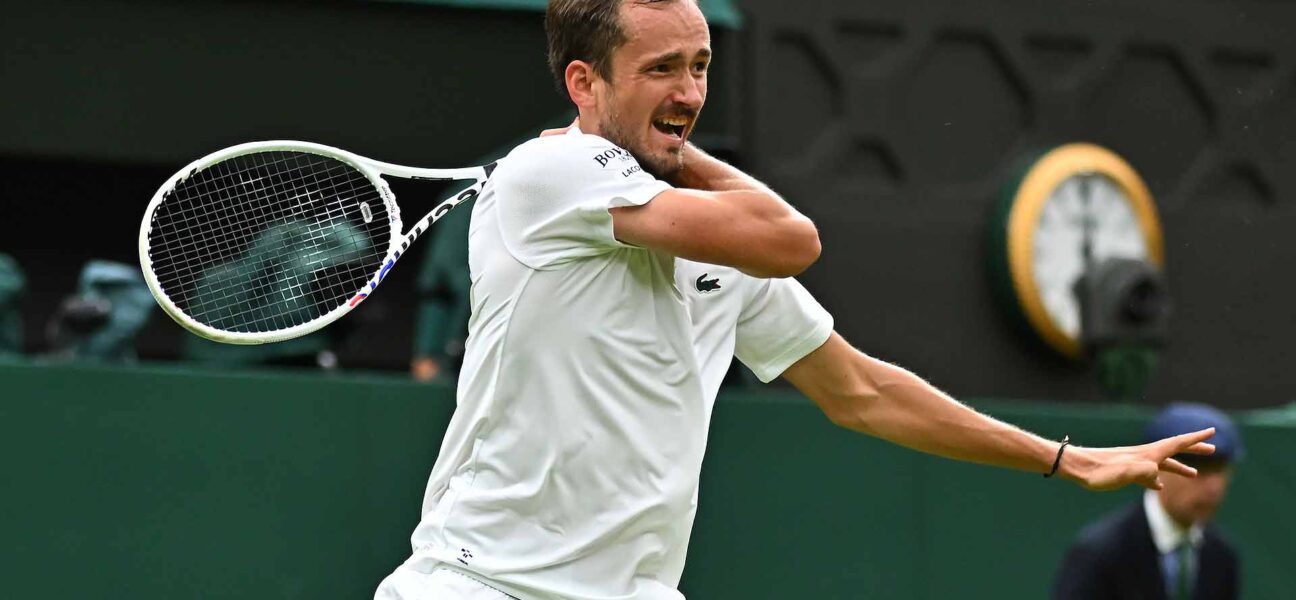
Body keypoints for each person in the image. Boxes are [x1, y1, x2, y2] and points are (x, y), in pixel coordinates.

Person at [375, 2, 1217, 598]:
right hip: (479, 585)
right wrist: (678, 159)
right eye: (660, 69)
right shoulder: (544, 174)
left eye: (700, 66)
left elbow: (862, 392)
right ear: (583, 85)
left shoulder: (705, 237)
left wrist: (1066, 459)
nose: (690, 92)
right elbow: (793, 238)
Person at [1052, 404, 1243, 600]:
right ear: (1159, 466)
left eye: (1221, 470)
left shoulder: (1222, 557)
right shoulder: (1100, 554)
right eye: (1199, 469)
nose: (1214, 487)